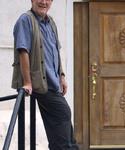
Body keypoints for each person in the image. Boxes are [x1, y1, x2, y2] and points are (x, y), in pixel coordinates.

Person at [11, 0, 79, 149]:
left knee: (63, 127)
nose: (43, 2)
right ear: (32, 0)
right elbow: (23, 51)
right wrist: (28, 82)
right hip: (39, 83)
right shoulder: (25, 20)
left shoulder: (51, 22)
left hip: (53, 83)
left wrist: (61, 76)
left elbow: (55, 51)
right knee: (63, 114)